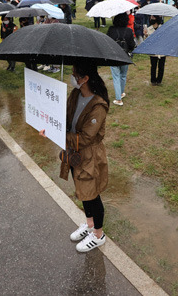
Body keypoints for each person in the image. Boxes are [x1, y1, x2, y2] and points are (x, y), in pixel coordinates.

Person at [39, 64, 110, 252]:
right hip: (74, 152)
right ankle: (89, 225)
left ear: (85, 78)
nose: (72, 77)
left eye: (75, 75)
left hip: (89, 156)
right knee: (82, 190)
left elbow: (87, 137)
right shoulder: (75, 95)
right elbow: (65, 117)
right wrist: (50, 121)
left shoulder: (98, 105)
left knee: (92, 194)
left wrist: (57, 134)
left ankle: (99, 235)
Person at [106, 13, 135, 106]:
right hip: (125, 56)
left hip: (113, 56)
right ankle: (121, 94)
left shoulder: (111, 30)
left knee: (116, 77)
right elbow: (132, 45)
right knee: (123, 76)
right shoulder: (129, 31)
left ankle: (119, 99)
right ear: (126, 20)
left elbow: (106, 42)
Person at [144, 16, 166, 86]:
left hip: (162, 50)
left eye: (153, 17)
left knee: (161, 66)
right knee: (153, 66)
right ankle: (153, 80)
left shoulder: (163, 28)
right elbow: (146, 42)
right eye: (150, 18)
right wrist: (146, 35)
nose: (151, 19)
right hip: (152, 51)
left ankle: (159, 80)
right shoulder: (148, 29)